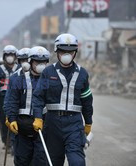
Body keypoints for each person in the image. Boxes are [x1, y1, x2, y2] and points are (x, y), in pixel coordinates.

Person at [32, 33, 93, 166]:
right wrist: (38, 117)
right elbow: (38, 97)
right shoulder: (48, 73)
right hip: (52, 123)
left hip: (74, 124)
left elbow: (87, 100)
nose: (66, 55)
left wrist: (88, 122)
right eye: (63, 51)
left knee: (77, 161)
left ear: (75, 53)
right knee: (53, 161)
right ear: (57, 52)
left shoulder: (82, 73)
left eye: (70, 51)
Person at [6, 46, 50, 165]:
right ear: (30, 62)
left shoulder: (52, 79)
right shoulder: (18, 79)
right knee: (22, 159)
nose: (40, 65)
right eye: (37, 62)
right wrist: (11, 118)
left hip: (43, 127)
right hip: (23, 127)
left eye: (43, 62)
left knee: (40, 160)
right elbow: (12, 100)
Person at [0, 45, 20, 149]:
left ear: (15, 56)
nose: (10, 57)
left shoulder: (20, 69)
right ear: (4, 56)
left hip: (17, 100)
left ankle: (14, 142)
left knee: (16, 120)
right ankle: (7, 143)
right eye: (7, 55)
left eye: (12, 55)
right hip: (3, 100)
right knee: (4, 122)